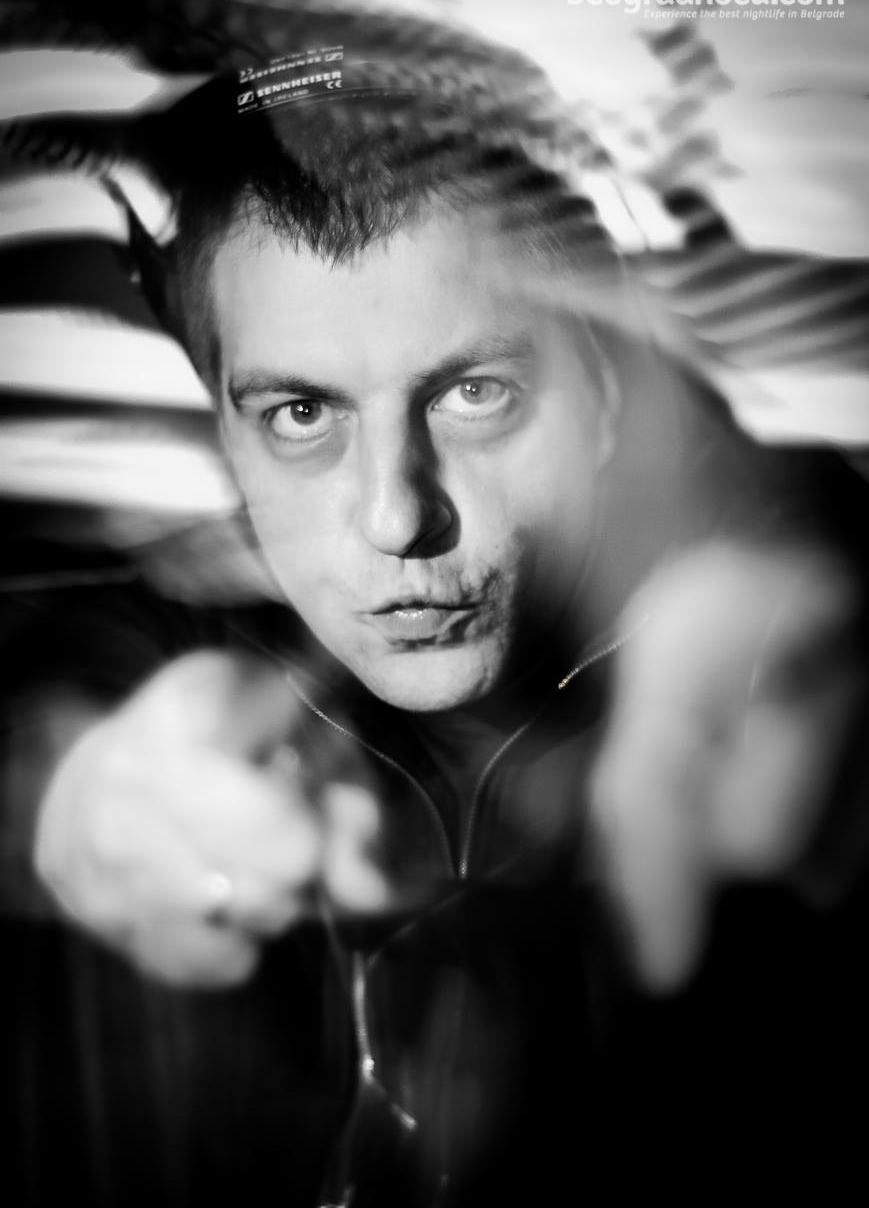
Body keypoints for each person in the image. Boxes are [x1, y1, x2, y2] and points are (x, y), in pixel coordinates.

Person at [7, 78, 869, 1207]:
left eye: (474, 393)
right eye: (300, 415)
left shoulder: (770, 650)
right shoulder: (171, 634)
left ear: (607, 389)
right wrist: (73, 784)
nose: (394, 517)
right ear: (223, 424)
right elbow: (61, 677)